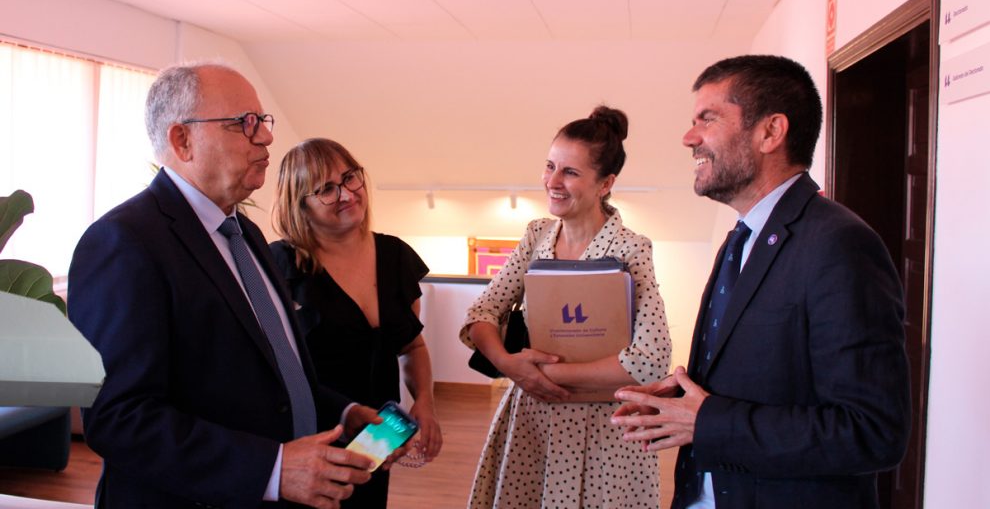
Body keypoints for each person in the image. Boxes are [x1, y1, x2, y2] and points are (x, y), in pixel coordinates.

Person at [68, 62, 382, 509]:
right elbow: (119, 418)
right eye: (244, 124)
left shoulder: (246, 233)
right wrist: (272, 469)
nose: (267, 137)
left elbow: (271, 376)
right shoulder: (124, 242)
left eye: (262, 121)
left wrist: (346, 414)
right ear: (182, 140)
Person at [611, 55, 911, 509]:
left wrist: (708, 422)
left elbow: (872, 431)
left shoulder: (841, 245)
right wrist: (675, 401)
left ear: (771, 132)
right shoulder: (739, 238)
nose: (689, 138)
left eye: (707, 120)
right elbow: (768, 372)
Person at [460, 106, 672, 508]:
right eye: (550, 166)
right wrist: (509, 365)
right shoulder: (536, 236)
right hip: (532, 424)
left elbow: (649, 360)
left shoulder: (631, 249)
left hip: (606, 433)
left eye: (570, 173)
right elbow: (481, 314)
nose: (553, 182)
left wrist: (544, 373)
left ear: (605, 183)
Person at [270, 138, 443, 508]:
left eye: (350, 178)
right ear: (300, 203)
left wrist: (425, 403)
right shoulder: (279, 267)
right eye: (327, 189)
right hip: (310, 439)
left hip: (381, 437)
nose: (347, 194)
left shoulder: (395, 255)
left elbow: (411, 346)